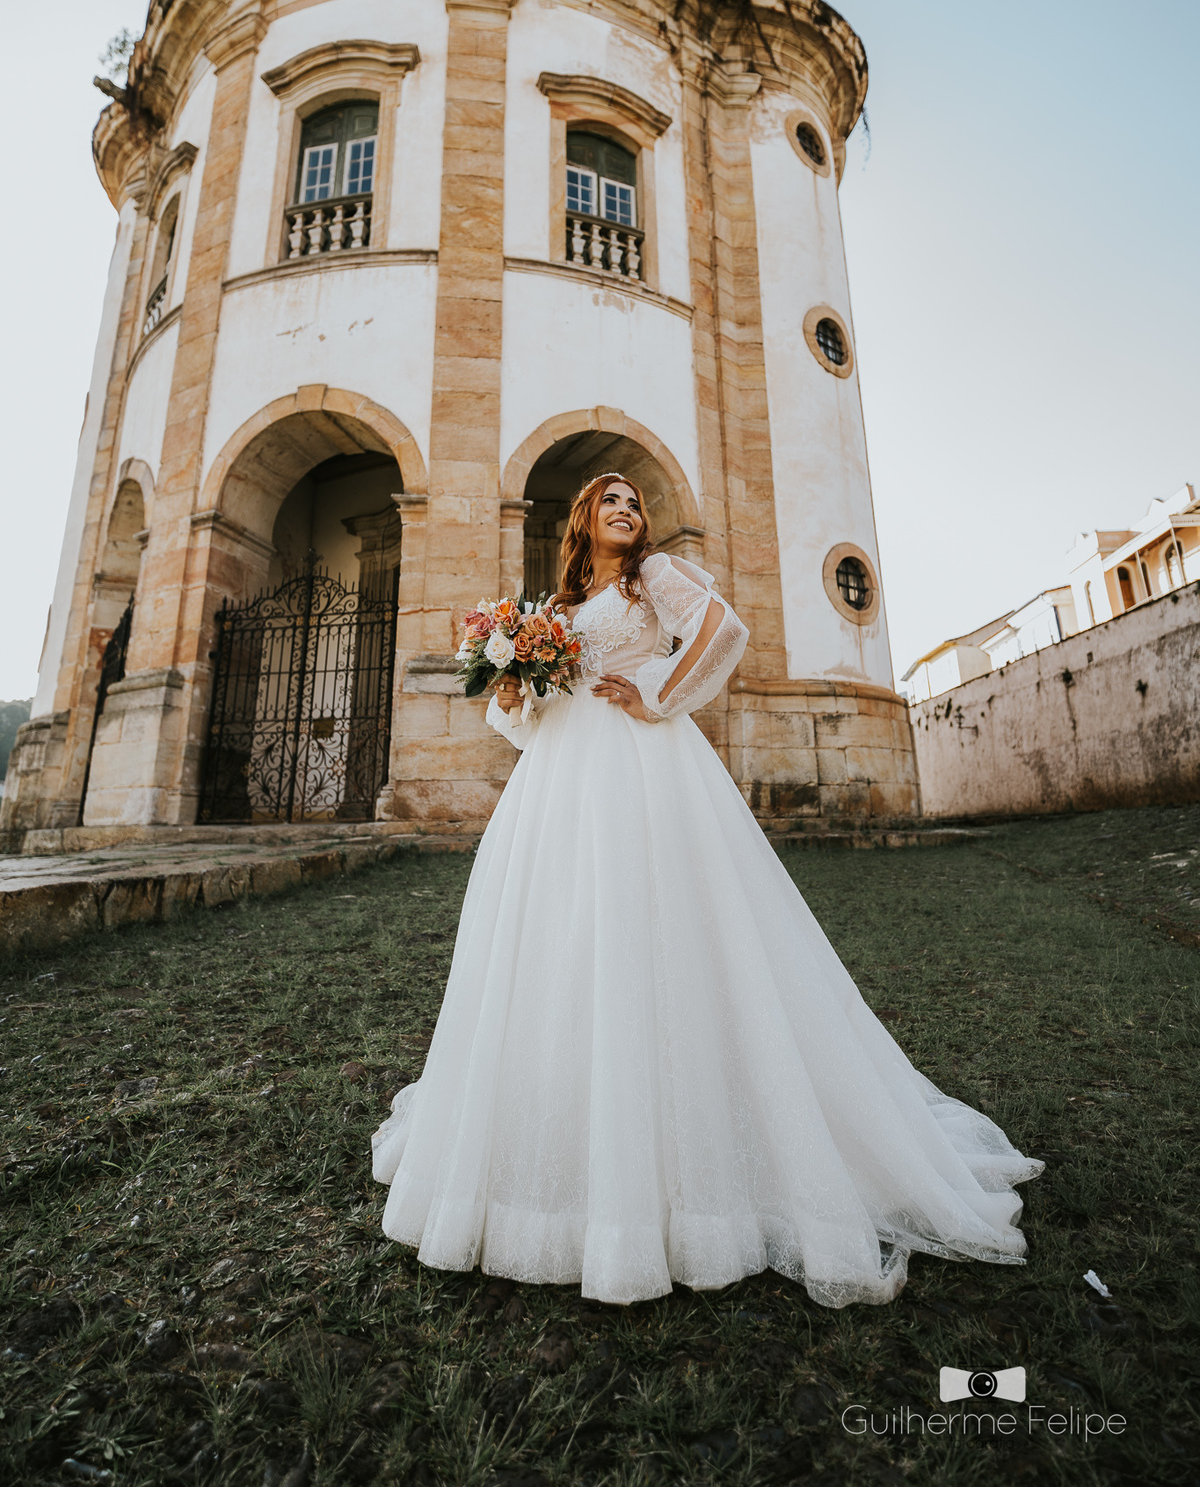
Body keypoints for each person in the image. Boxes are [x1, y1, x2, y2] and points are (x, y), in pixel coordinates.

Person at [372, 474, 1042, 1307]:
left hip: (642, 768)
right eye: (612, 502)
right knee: (561, 941)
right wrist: (512, 688)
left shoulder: (651, 576)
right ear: (584, 518)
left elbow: (724, 629)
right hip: (560, 783)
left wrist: (655, 693)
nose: (628, 511)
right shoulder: (559, 606)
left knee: (655, 929)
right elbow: (537, 712)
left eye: (635, 503)